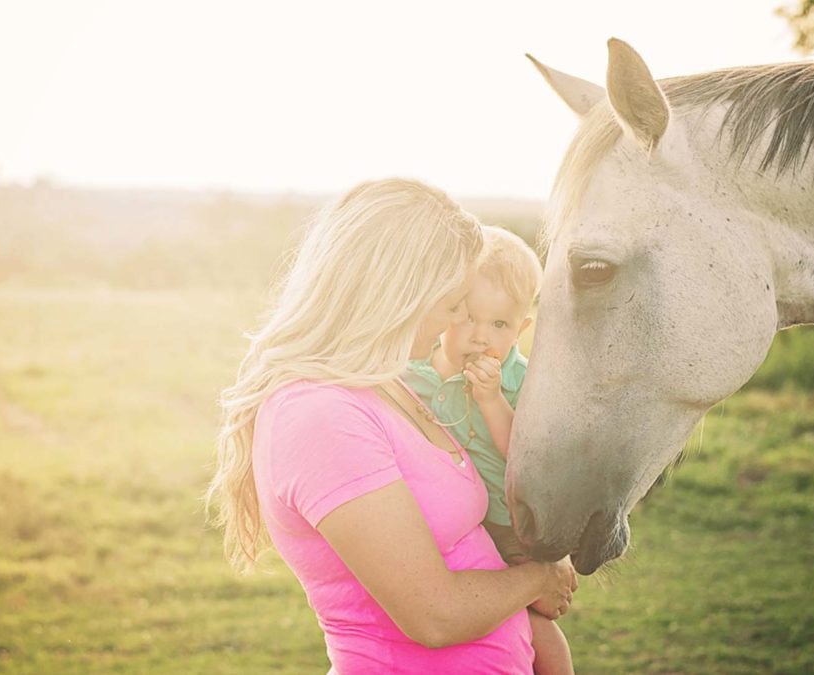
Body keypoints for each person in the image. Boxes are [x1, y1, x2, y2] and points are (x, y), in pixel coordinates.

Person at [206, 178, 577, 674]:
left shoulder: (385, 384)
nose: (460, 319)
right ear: (402, 296)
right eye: (453, 303)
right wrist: (537, 579)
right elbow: (434, 615)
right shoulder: (319, 416)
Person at [403, 225, 572, 673]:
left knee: (536, 628)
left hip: (508, 523)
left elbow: (527, 454)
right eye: (468, 318)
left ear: (523, 328)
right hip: (453, 525)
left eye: (499, 324)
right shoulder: (413, 376)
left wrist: (492, 400)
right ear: (445, 312)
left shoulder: (523, 382)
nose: (481, 337)